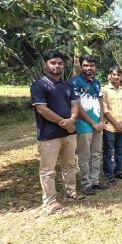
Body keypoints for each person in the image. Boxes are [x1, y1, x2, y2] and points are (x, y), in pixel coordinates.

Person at [30, 49, 84, 214]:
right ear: (45, 64)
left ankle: (71, 191)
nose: (57, 66)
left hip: (68, 133)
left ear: (64, 65)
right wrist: (64, 123)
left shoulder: (67, 85)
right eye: (53, 63)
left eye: (60, 63)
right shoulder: (39, 85)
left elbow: (75, 103)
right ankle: (50, 201)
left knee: (69, 164)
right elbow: (42, 110)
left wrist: (72, 120)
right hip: (49, 135)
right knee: (48, 170)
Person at [69, 54, 107, 196]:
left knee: (96, 153)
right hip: (83, 124)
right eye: (85, 65)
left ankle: (95, 181)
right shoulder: (75, 82)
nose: (89, 68)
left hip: (98, 124)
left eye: (91, 65)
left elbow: (100, 102)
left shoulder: (96, 82)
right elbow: (77, 106)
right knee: (84, 155)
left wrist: (101, 120)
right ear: (81, 66)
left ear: (95, 67)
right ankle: (86, 184)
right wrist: (92, 122)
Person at [102, 66, 122, 184]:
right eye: (114, 74)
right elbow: (104, 110)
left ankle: (118, 171)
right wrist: (116, 124)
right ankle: (109, 175)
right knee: (108, 151)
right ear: (109, 76)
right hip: (109, 126)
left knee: (119, 149)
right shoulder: (104, 90)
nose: (117, 77)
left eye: (119, 75)